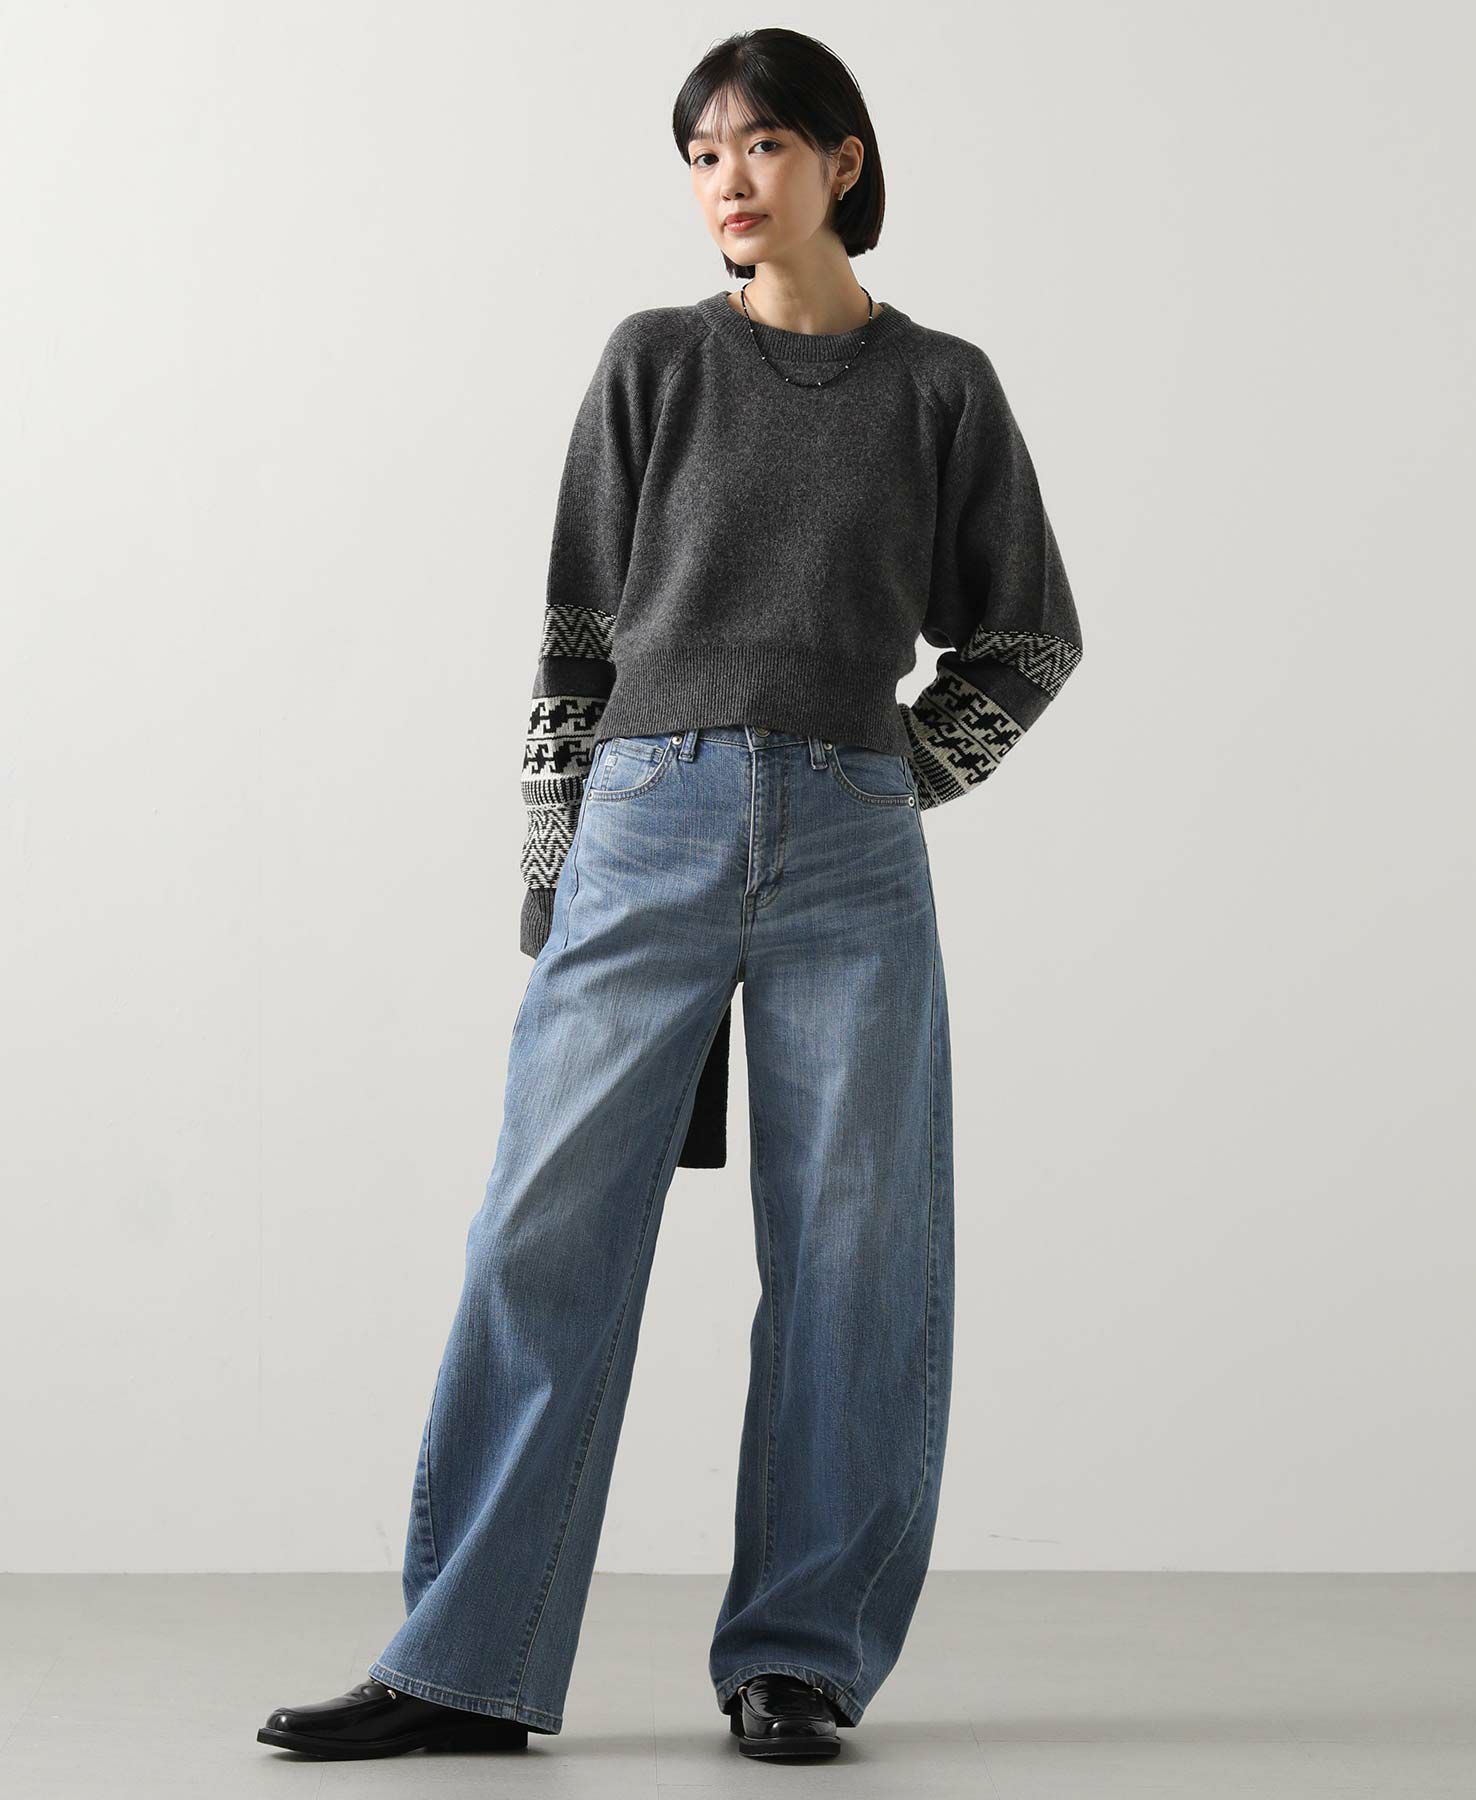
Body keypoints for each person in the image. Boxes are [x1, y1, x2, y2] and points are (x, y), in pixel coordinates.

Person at [257, 25, 1083, 1767]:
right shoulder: (653, 361)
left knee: (857, 1254)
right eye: (704, 152)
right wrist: (553, 873)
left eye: (763, 143)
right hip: (646, 823)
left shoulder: (943, 388)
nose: (729, 178)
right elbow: (575, 637)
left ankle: (800, 1658)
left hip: (850, 846)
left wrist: (895, 775)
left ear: (843, 162)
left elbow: (1028, 638)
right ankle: (464, 1662)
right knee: (542, 1234)